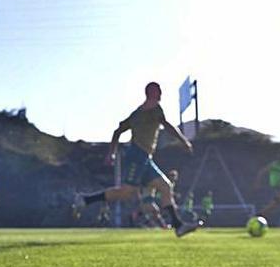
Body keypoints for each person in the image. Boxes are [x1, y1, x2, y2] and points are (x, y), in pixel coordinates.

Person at [72, 82, 201, 237]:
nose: (161, 94)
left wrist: (111, 153)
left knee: (165, 187)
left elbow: (117, 131)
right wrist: (183, 141)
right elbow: (167, 126)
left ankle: (178, 226)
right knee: (126, 192)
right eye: (159, 91)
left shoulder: (137, 113)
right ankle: (85, 200)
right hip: (136, 156)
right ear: (152, 93)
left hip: (145, 157)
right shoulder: (154, 110)